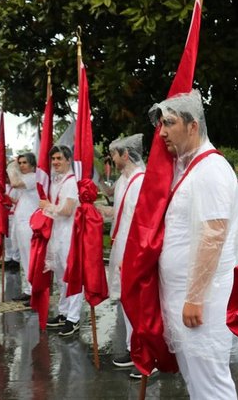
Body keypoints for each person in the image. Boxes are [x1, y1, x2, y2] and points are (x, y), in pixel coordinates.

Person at [147, 90, 238, 398]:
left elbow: (213, 235)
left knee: (211, 386)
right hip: (186, 299)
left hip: (202, 303)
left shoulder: (210, 169)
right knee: (198, 384)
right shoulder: (190, 169)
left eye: (169, 123)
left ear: (192, 126)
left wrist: (195, 297)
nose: (162, 133)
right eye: (160, 125)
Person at [95, 133, 145, 368]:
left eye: (114, 154)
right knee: (127, 299)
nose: (112, 158)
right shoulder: (125, 180)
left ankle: (143, 352)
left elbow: (141, 222)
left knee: (136, 301)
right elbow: (121, 211)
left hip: (132, 249)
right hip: (122, 244)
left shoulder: (140, 180)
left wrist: (134, 256)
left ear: (126, 154)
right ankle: (131, 346)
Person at [40, 145, 82, 337]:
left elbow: (66, 210)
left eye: (59, 158)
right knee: (59, 275)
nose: (55, 162)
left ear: (68, 160)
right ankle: (64, 313)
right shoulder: (58, 181)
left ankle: (73, 318)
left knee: (71, 276)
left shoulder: (71, 182)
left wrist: (48, 206)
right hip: (58, 233)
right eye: (53, 159)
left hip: (70, 234)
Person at [7, 153, 40, 303]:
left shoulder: (33, 176)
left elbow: (14, 183)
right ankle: (29, 289)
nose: (21, 165)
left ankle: (36, 291)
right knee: (25, 258)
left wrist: (11, 167)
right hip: (21, 223)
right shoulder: (26, 178)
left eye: (24, 162)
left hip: (30, 225)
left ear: (32, 165)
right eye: (19, 163)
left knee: (32, 258)